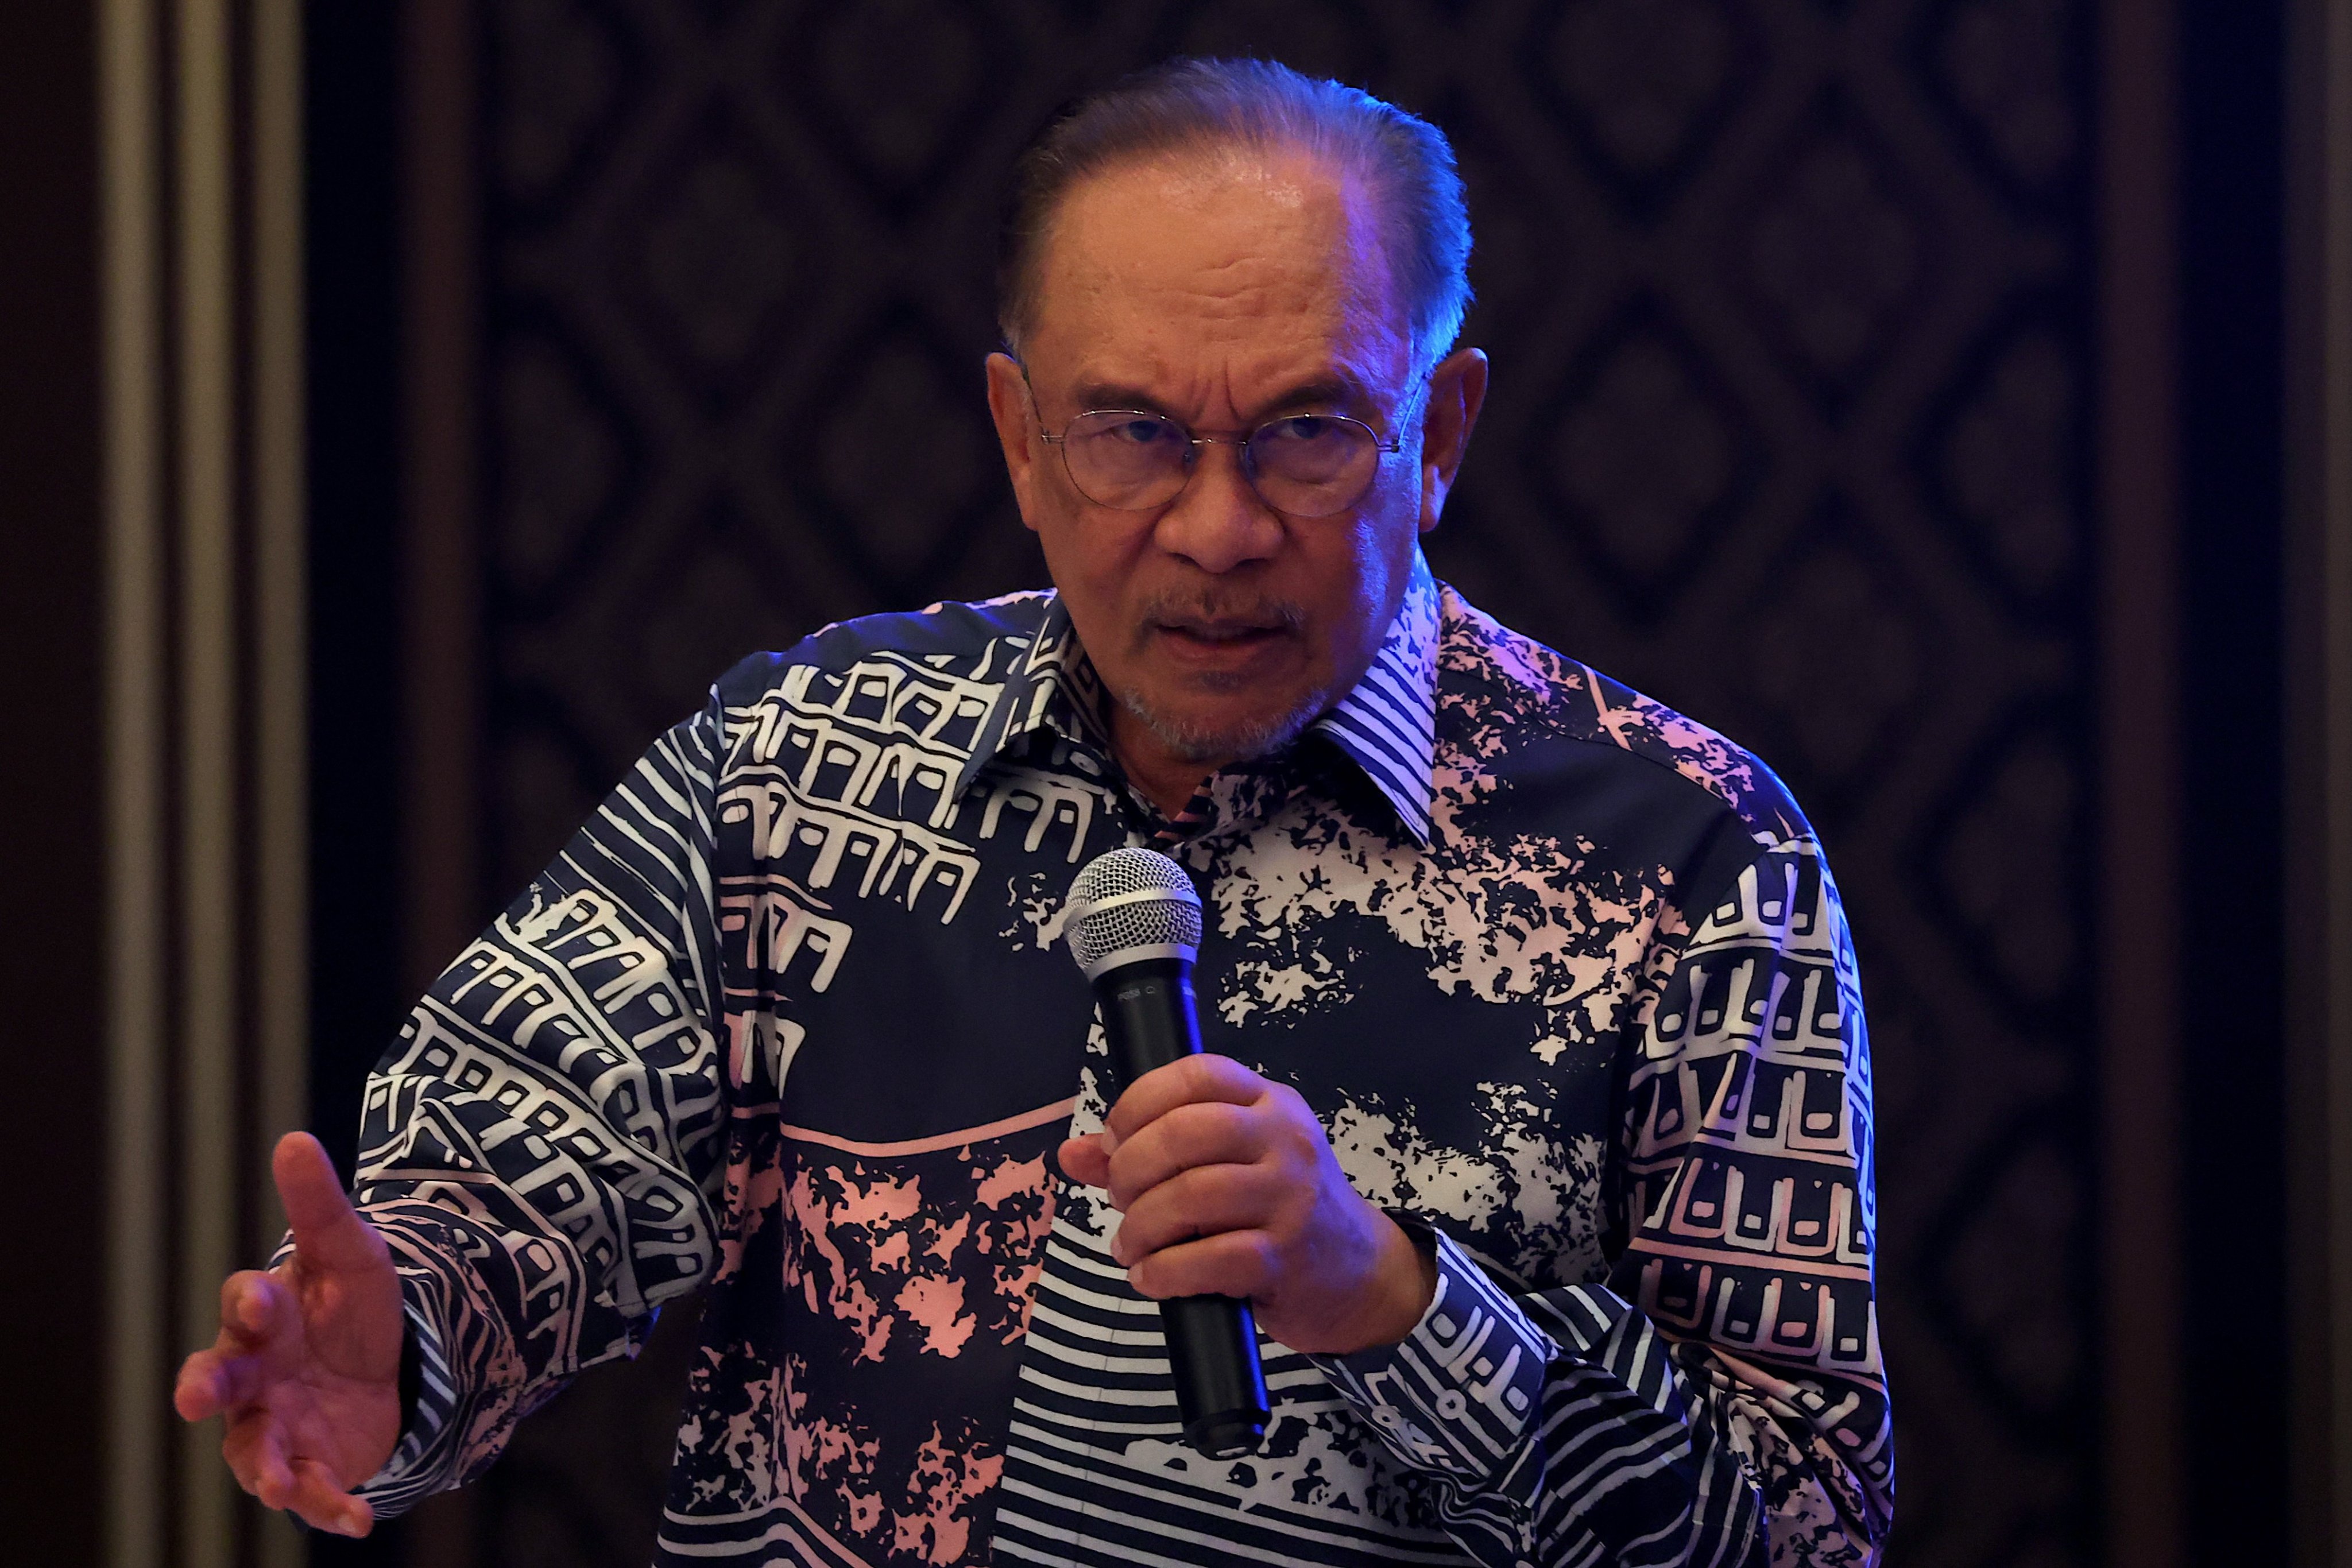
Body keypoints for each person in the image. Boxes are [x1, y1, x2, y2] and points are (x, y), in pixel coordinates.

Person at [176, 57, 1891, 1568]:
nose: (1218, 529)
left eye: (1309, 429)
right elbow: (514, 1177)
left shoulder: (1690, 858)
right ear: (1019, 436)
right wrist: (401, 1345)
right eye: (1132, 432)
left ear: (1436, 433)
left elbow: (1808, 1522)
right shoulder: (808, 756)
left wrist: (1397, 1302)